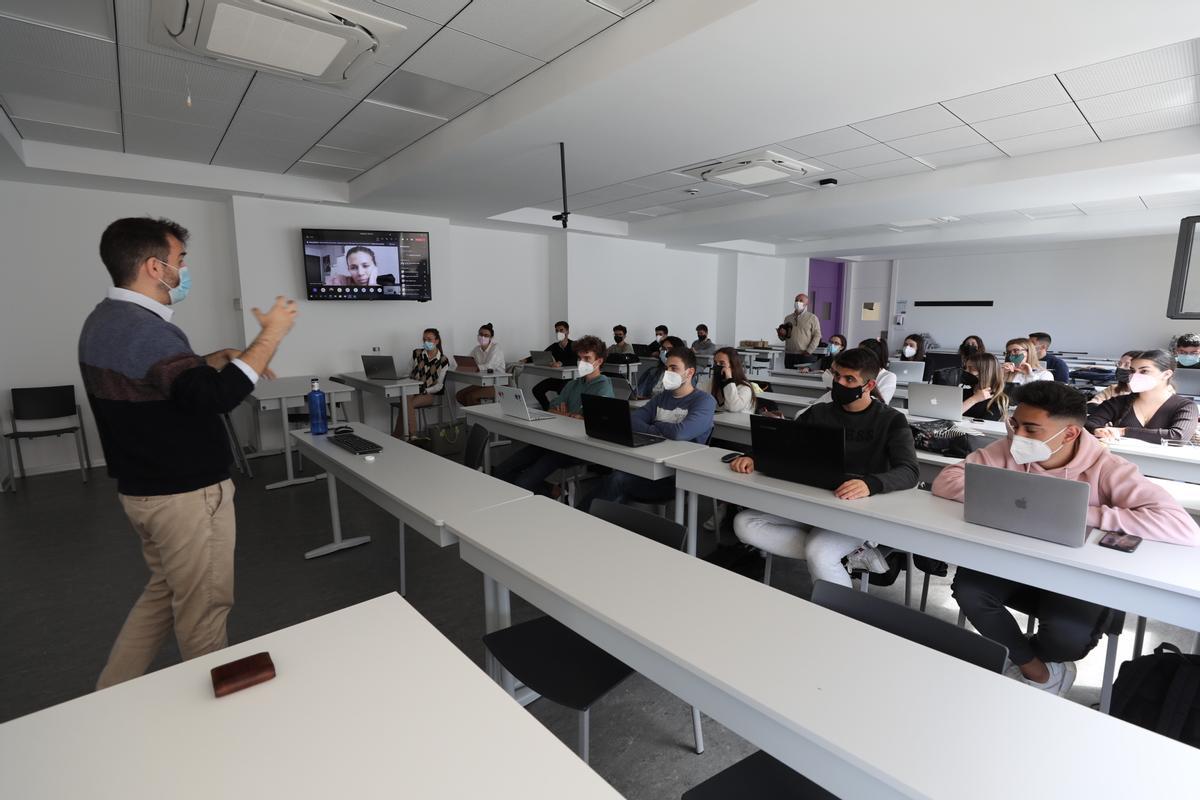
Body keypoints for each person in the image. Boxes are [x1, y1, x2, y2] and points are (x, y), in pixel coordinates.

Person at [81, 217, 298, 689]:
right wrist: (271, 336)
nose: (184, 270)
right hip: (186, 497)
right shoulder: (145, 330)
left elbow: (171, 386)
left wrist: (208, 361)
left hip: (145, 494)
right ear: (155, 268)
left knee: (164, 593)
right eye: (180, 260)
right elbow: (212, 400)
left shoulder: (105, 321)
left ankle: (107, 695)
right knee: (204, 612)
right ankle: (216, 732)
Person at [933, 382, 1198, 695]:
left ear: (1070, 434)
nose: (1018, 435)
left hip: (1077, 574)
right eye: (1015, 424)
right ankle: (1037, 671)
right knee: (969, 589)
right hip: (1017, 562)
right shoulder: (1008, 447)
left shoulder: (1108, 468)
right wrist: (1000, 500)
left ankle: (1035, 659)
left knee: (1068, 640)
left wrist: (1080, 513)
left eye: (1031, 429)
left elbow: (1183, 528)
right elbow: (945, 481)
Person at [730, 347, 919, 587]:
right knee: (744, 524)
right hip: (813, 500)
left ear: (869, 386)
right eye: (837, 375)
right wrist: (754, 456)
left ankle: (842, 614)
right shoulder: (818, 412)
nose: (839, 382)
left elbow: (910, 471)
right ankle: (847, 555)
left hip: (855, 508)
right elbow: (786, 443)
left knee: (820, 552)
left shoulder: (891, 420)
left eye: (850, 379)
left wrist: (870, 483)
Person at [583, 347, 716, 509]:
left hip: (677, 477)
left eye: (674, 368)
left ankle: (581, 516)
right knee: (614, 481)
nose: (668, 372)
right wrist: (663, 430)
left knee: (617, 481)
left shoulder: (704, 401)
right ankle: (589, 519)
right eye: (667, 368)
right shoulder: (661, 397)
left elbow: (681, 432)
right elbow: (633, 421)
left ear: (689, 373)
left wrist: (654, 424)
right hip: (650, 465)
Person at [494, 336, 613, 494]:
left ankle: (551, 494)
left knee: (524, 482)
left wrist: (575, 416)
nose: (581, 362)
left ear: (599, 361)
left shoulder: (603, 388)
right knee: (502, 470)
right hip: (554, 438)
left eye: (587, 358)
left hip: (577, 446)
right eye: (579, 358)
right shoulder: (573, 383)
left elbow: (596, 422)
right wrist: (570, 414)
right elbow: (551, 408)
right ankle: (554, 490)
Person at [1086, 350, 1198, 444]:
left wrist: (1123, 431)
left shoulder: (1186, 406)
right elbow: (1089, 423)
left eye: (1144, 371)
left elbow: (1178, 437)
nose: (1135, 376)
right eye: (1132, 371)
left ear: (1166, 374)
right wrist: (1097, 430)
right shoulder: (1118, 402)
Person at [396, 328, 453, 438]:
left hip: (427, 393)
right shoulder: (417, 353)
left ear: (437, 341)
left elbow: (439, 386)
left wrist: (426, 390)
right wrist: (402, 381)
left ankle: (405, 435)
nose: (426, 342)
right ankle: (411, 436)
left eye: (429, 339)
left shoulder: (443, 360)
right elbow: (407, 373)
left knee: (406, 404)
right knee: (406, 399)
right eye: (424, 339)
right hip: (410, 390)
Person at [529, 320, 578, 410]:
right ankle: (547, 409)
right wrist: (526, 359)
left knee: (562, 390)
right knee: (537, 390)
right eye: (556, 331)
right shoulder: (554, 346)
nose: (558, 332)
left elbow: (576, 360)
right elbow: (542, 355)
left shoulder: (574, 345)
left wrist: (561, 363)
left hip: (571, 379)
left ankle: (563, 412)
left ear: (567, 331)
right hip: (557, 378)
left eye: (561, 330)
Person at [456, 322, 505, 407]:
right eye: (481, 334)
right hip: (482, 382)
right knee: (460, 396)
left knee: (471, 397)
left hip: (498, 384)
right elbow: (468, 361)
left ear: (491, 337)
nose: (483, 337)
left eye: (486, 335)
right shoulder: (476, 349)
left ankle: (479, 418)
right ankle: (476, 416)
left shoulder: (496, 347)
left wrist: (474, 367)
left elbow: (489, 366)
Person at [960, 352, 1009, 421]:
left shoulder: (999, 400)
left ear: (985, 372)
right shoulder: (963, 391)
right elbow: (949, 415)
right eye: (966, 368)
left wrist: (974, 399)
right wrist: (974, 399)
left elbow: (984, 425)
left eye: (971, 369)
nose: (966, 371)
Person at [781, 293, 822, 368]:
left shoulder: (812, 318)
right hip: (790, 354)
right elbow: (784, 338)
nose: (798, 302)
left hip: (805, 355)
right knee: (787, 378)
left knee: (804, 378)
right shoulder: (788, 318)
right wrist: (781, 334)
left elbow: (817, 335)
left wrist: (810, 350)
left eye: (801, 300)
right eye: (796, 300)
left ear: (806, 303)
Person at [710, 347, 755, 413]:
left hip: (739, 422)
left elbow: (733, 407)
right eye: (715, 363)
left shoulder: (745, 388)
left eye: (722, 363)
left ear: (733, 366)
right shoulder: (712, 383)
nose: (717, 366)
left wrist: (729, 379)